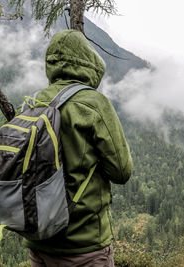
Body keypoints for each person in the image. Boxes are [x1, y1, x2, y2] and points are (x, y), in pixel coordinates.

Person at [23, 30, 133, 266]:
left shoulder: (33, 102)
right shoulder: (94, 103)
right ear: (88, 61)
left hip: (38, 240)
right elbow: (122, 172)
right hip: (83, 245)